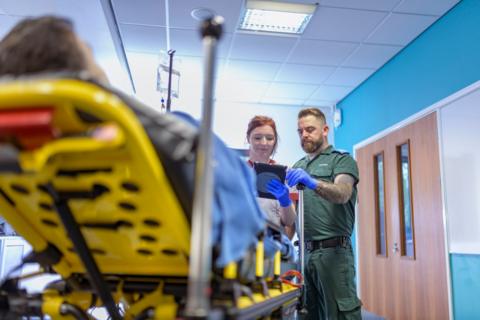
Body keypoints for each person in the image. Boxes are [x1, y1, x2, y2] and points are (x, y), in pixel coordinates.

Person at [0, 15, 266, 267]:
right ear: (83, 78)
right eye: (91, 54)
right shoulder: (165, 133)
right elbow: (247, 221)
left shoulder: (17, 157)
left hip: (84, 255)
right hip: (201, 253)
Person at [286, 108, 361, 319]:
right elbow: (293, 215)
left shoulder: (342, 161)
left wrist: (311, 182)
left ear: (325, 129)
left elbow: (343, 194)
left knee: (339, 314)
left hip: (334, 254)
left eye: (310, 129)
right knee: (306, 313)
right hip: (304, 255)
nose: (304, 135)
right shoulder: (298, 166)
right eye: (300, 131)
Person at [246, 115, 296, 233]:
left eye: (269, 138)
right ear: (248, 138)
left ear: (275, 141)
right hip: (242, 242)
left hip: (272, 243)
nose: (264, 143)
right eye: (257, 138)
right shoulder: (238, 172)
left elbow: (289, 222)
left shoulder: (285, 174)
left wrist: (285, 201)